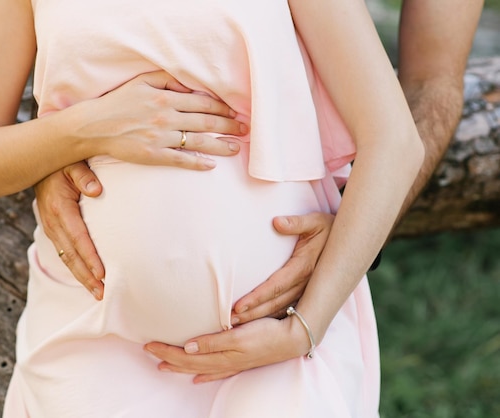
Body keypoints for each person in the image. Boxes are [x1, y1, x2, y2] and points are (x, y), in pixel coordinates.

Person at [0, 0, 424, 416]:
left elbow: (395, 141)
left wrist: (307, 326)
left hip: (275, 342)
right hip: (90, 343)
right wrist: (87, 128)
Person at [36, 0, 484, 383]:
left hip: (276, 335)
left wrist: (355, 234)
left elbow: (431, 83)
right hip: (90, 339)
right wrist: (55, 152)